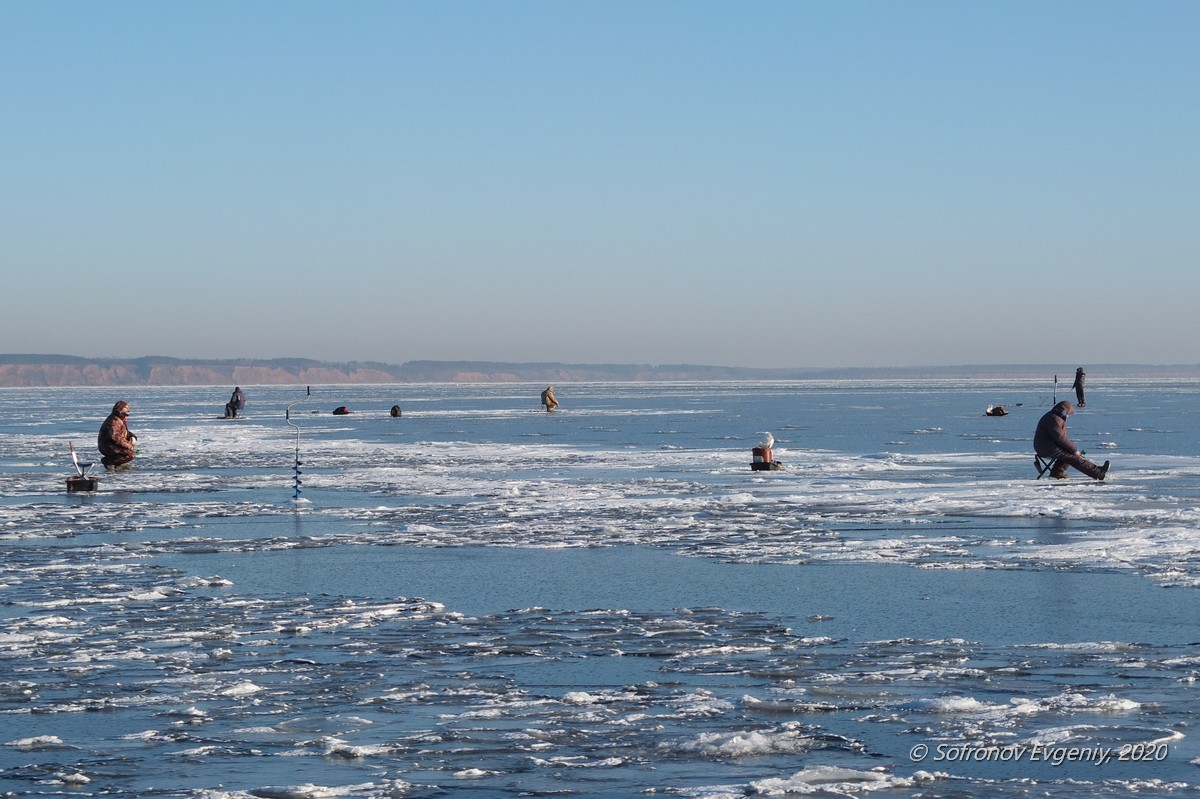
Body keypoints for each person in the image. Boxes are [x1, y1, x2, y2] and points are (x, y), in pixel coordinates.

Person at [1034, 400, 1108, 480]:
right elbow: (1060, 438)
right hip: (1046, 447)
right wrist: (1074, 449)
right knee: (1073, 457)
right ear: (1063, 410)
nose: (1068, 415)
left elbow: (1060, 438)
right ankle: (1098, 473)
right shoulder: (1054, 419)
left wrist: (1071, 448)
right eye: (1067, 413)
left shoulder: (1055, 417)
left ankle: (1056, 474)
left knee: (1068, 453)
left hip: (1048, 446)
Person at [97, 400, 137, 470]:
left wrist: (132, 436)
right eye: (126, 414)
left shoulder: (119, 420)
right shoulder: (114, 421)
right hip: (108, 446)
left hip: (113, 445)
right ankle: (109, 462)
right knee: (130, 454)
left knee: (130, 452)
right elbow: (115, 437)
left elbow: (124, 432)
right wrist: (129, 445)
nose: (127, 416)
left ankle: (118, 464)